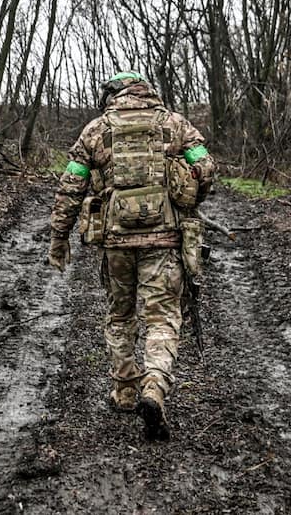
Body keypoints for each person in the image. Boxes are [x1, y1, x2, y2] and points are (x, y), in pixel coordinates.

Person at [47, 71, 216, 440]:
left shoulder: (95, 130)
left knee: (120, 315)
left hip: (116, 243)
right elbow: (206, 167)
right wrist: (188, 195)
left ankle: (125, 391)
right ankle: (154, 386)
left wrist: (60, 237)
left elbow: (71, 185)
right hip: (165, 240)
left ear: (112, 94)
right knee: (162, 319)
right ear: (147, 92)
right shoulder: (176, 124)